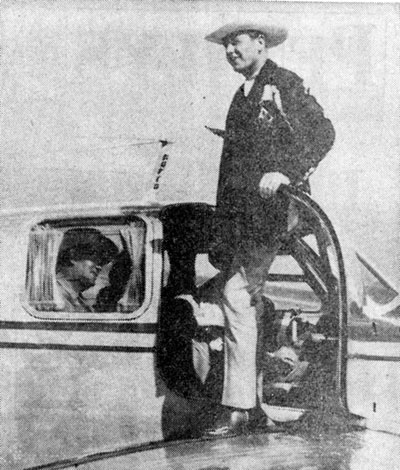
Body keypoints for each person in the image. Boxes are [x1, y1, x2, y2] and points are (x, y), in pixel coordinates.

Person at [204, 21, 335, 435]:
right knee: (248, 298)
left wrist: (286, 171)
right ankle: (254, 402)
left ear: (260, 44)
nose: (230, 51)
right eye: (225, 45)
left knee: (235, 293)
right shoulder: (241, 93)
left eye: (236, 42)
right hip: (247, 217)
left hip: (274, 211)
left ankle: (241, 408)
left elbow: (323, 132)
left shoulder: (283, 83)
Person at [56, 228, 118, 313]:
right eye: (94, 259)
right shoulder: (57, 295)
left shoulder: (76, 297)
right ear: (73, 256)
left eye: (101, 263)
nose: (99, 267)